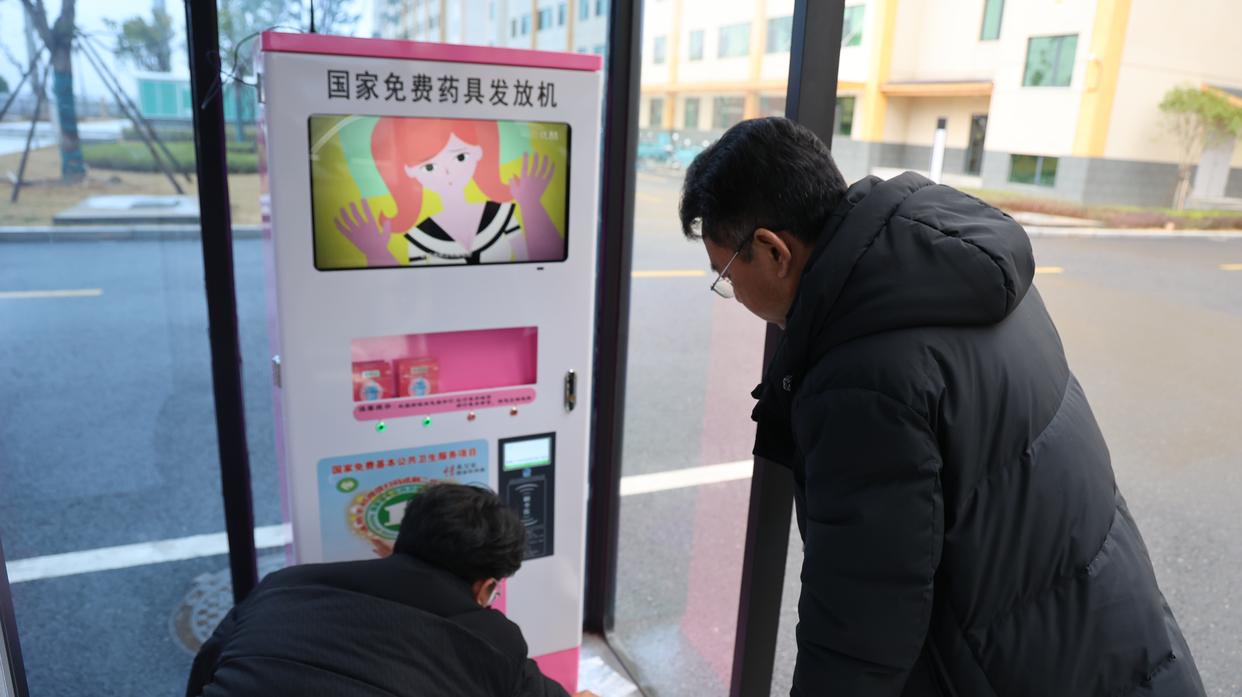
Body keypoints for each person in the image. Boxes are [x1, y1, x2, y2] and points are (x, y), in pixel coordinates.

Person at [679, 117, 1205, 696]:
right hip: (1122, 636)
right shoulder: (959, 268)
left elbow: (860, 628)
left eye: (726, 274)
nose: (733, 294)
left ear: (773, 251)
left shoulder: (859, 379)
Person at [186, 483, 593, 697]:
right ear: (485, 587)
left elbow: (205, 672)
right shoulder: (492, 641)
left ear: (397, 543)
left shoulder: (282, 586)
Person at [335, 118, 562, 266]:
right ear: (409, 172)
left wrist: (532, 206)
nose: (447, 172)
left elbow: (534, 264)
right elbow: (407, 292)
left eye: (460, 157)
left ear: (479, 153)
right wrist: (376, 252)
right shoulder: (419, 237)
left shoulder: (502, 215)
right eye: (429, 167)